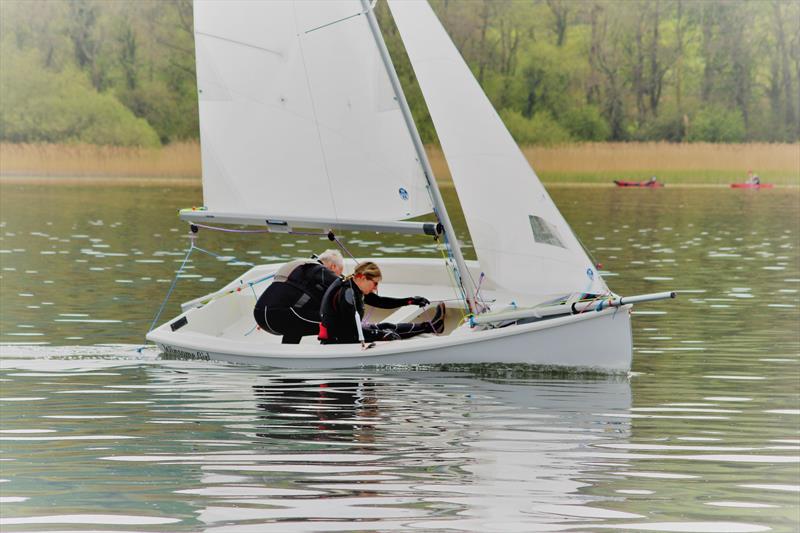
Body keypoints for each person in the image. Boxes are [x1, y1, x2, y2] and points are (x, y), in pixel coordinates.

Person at [319, 261, 446, 346]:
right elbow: (353, 332)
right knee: (389, 333)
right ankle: (431, 327)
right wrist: (382, 335)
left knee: (387, 325)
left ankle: (432, 326)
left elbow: (380, 302)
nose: (375, 288)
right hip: (336, 340)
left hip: (346, 333)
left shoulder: (353, 285)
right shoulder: (347, 293)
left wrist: (410, 300)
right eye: (375, 283)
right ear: (363, 278)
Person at [253, 249, 344, 344]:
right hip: (277, 315)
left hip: (260, 314)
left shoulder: (303, 268)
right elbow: (342, 285)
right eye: (340, 272)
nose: (339, 275)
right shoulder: (319, 269)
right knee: (335, 321)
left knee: (298, 318)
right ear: (333, 267)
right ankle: (329, 353)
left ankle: (288, 351)